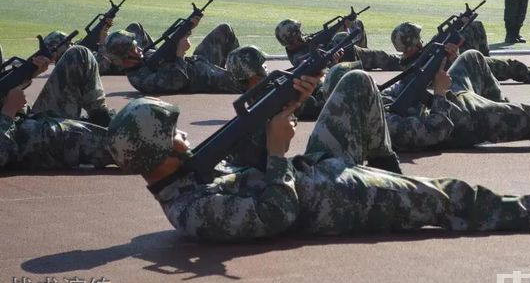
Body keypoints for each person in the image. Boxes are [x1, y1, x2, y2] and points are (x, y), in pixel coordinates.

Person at [106, 72, 530, 243]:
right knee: (449, 196)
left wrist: (289, 104)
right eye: (172, 134)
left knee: (355, 84)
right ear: (158, 151)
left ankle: (386, 170)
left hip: (318, 169)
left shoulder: (190, 178)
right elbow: (276, 213)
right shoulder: (192, 213)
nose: (182, 137)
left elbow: (248, 169)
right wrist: (277, 153)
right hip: (332, 198)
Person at [325, 48, 530, 152]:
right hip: (462, 121)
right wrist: (439, 93)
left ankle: (503, 106)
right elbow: (435, 131)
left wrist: (434, 65)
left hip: (450, 96)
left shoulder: (375, 100)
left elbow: (401, 90)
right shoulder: (381, 129)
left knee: (472, 57)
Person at [0, 45, 114, 170]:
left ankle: (102, 120)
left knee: (79, 55)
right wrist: (9, 110)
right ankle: (119, 141)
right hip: (22, 140)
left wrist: (27, 75)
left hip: (26, 119)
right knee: (116, 143)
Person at [391, 22, 530, 84]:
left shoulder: (411, 63)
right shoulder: (419, 65)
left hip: (465, 67)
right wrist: (454, 56)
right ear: (412, 43)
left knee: (474, 26)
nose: (422, 40)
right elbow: (448, 76)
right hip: (470, 72)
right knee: (513, 67)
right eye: (418, 38)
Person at [109, 20, 246, 95]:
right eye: (134, 49)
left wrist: (186, 30)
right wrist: (180, 53)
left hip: (197, 62)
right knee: (248, 83)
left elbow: (166, 54)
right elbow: (177, 81)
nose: (139, 48)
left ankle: (237, 67)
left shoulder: (140, 59)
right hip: (202, 78)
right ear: (125, 57)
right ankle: (240, 72)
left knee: (224, 29)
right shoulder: (141, 80)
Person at [275, 18, 402, 70]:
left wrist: (343, 24)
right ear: (293, 37)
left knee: (357, 23)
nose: (301, 33)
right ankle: (408, 62)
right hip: (342, 62)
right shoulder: (299, 58)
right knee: (381, 57)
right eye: (298, 32)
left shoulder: (299, 46)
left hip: (344, 58)